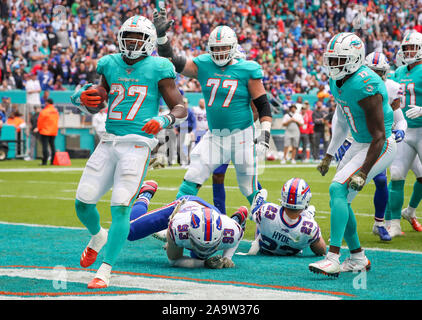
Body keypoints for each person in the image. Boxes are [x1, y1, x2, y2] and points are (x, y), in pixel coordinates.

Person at [69, 15, 187, 289]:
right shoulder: (110, 63)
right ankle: (98, 235)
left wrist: (165, 119)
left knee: (121, 206)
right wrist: (81, 97)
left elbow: (180, 107)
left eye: (138, 38)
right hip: (109, 140)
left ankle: (105, 269)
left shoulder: (160, 66)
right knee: (82, 203)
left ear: (147, 42)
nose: (132, 43)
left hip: (138, 144)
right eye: (128, 38)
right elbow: (97, 96)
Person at [153, 7, 272, 206]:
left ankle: (269, 228)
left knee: (248, 188)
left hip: (241, 136)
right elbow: (172, 61)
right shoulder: (204, 64)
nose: (219, 52)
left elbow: (263, 106)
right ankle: (173, 222)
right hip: (215, 135)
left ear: (233, 47)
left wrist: (264, 135)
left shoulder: (247, 68)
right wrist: (162, 36)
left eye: (223, 48)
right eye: (215, 48)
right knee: (192, 176)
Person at [308, 32, 397, 277]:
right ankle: (357, 257)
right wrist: (329, 153)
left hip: (380, 144)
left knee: (337, 190)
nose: (333, 65)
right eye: (331, 59)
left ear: (355, 59)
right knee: (341, 200)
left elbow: (379, 134)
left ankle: (333, 257)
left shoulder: (365, 84)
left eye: (339, 60)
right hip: (359, 143)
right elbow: (342, 122)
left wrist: (364, 171)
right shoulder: (338, 81)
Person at [127, 180, 247, 269]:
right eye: (201, 246)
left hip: (213, 213)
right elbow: (174, 260)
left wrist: (227, 257)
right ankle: (145, 194)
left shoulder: (231, 230)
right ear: (188, 233)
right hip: (185, 205)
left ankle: (237, 217)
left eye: (208, 247)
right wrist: (204, 263)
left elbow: (238, 232)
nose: (204, 251)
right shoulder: (179, 227)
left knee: (197, 257)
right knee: (130, 231)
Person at [385, 31, 422, 236]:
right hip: (404, 131)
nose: (408, 51)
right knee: (397, 174)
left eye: (412, 48)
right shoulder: (398, 72)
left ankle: (410, 211)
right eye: (406, 48)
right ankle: (394, 224)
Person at [241, 178, 326, 257]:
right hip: (292, 249)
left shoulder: (266, 210)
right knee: (308, 219)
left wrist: (260, 201)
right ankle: (308, 214)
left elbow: (257, 209)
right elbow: (321, 251)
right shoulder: (310, 227)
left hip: (264, 248)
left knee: (260, 209)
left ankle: (307, 214)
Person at [37, 99, 59, 165]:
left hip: (45, 131)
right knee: (53, 147)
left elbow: (40, 122)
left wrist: (40, 129)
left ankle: (44, 162)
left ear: (47, 103)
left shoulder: (44, 111)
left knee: (45, 147)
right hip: (53, 131)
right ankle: (52, 162)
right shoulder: (56, 111)